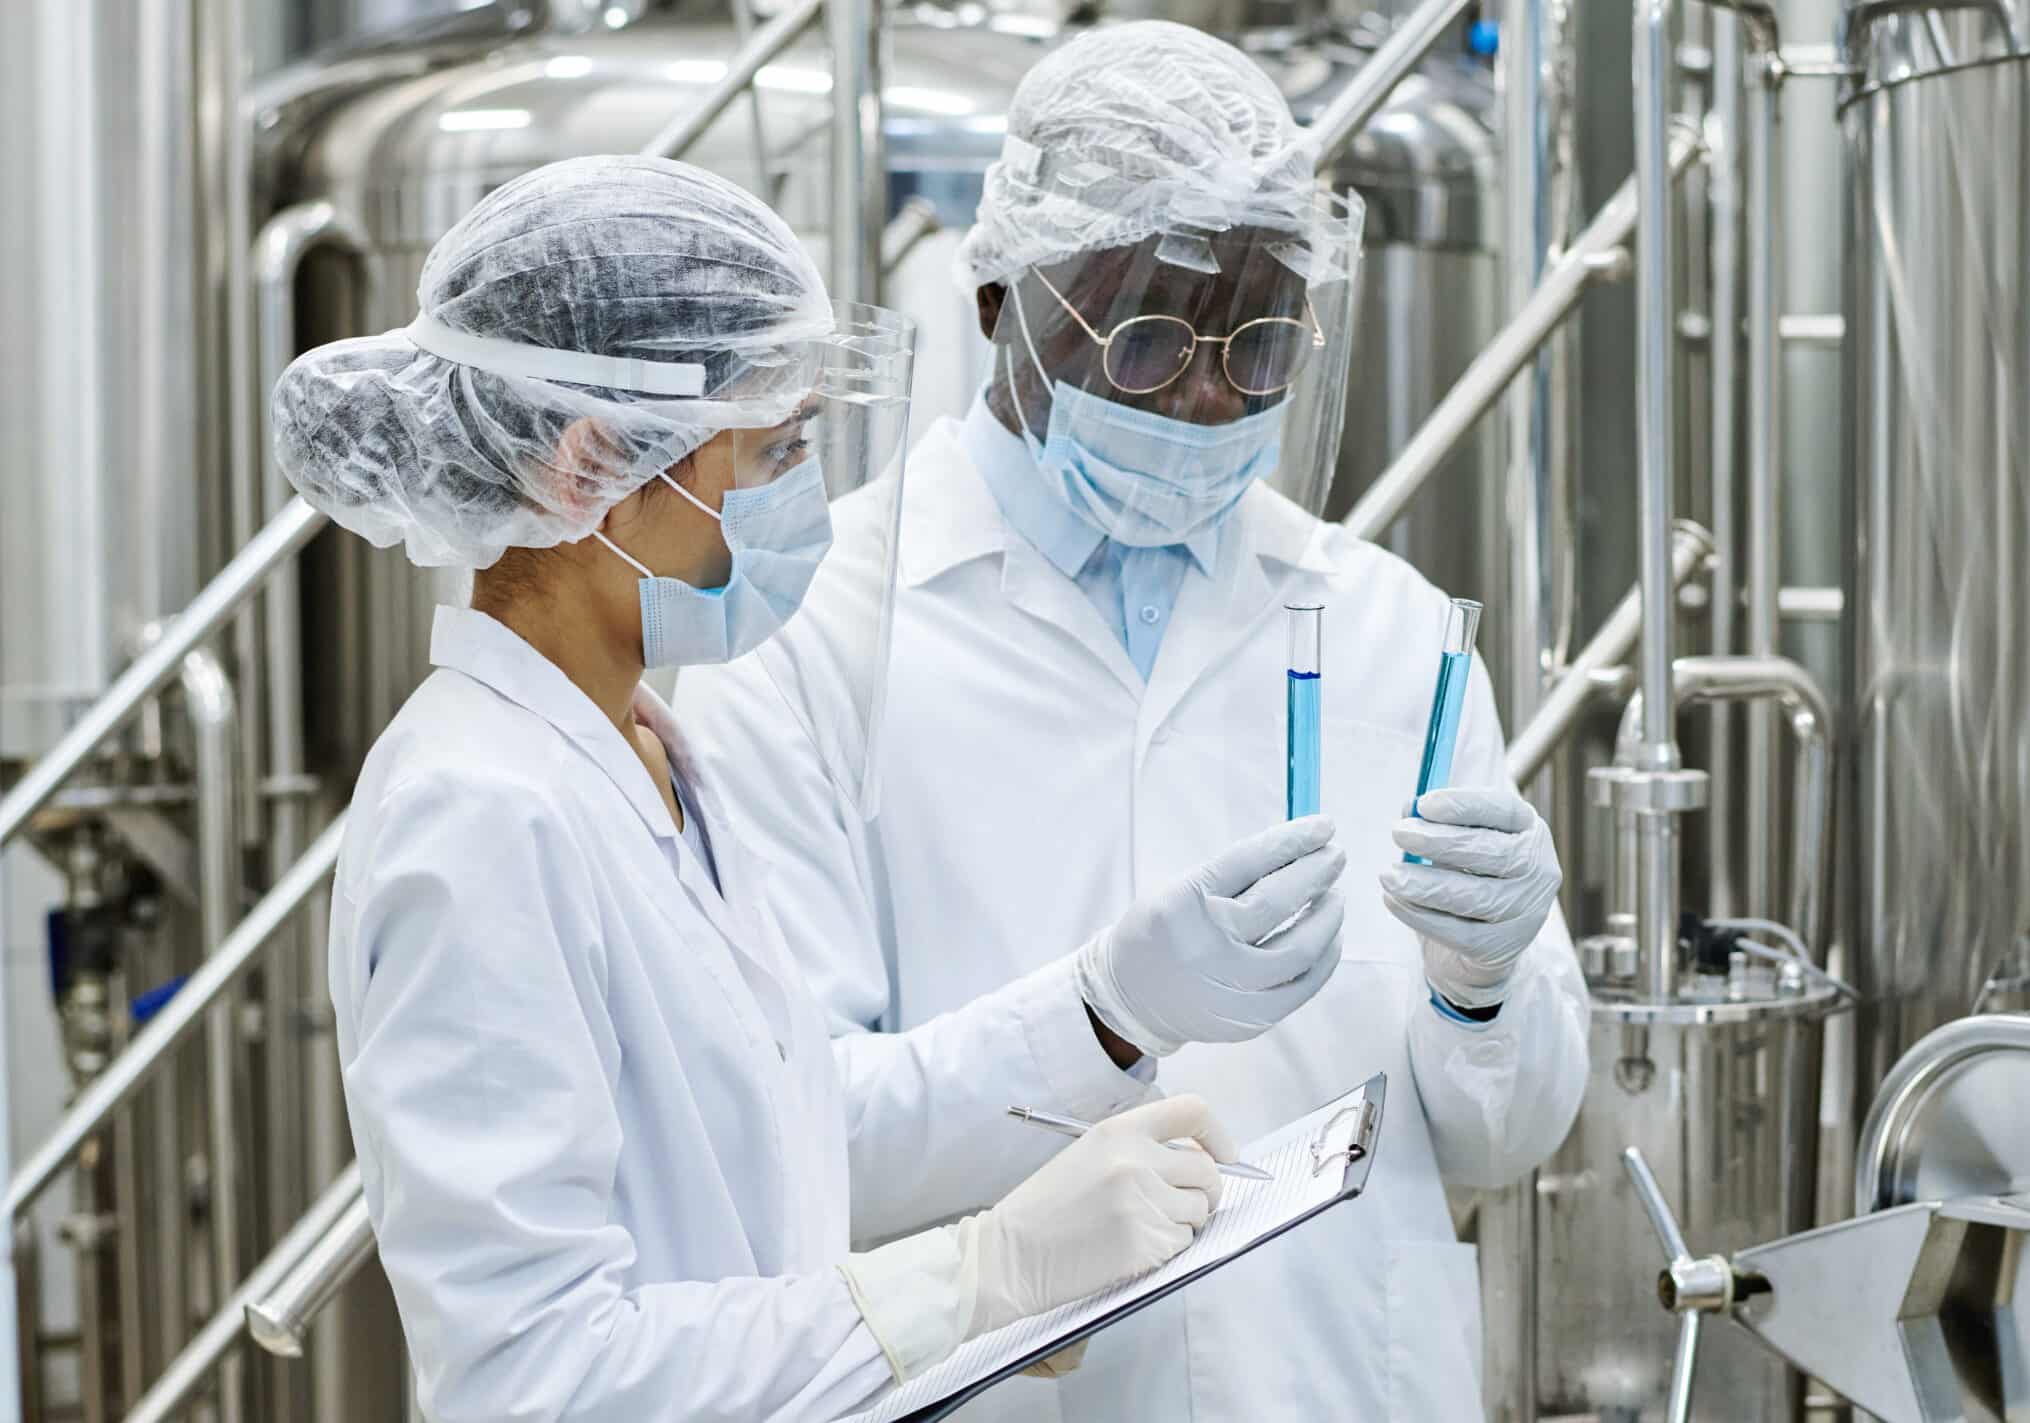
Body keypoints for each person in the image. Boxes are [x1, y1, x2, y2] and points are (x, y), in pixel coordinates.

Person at [272, 154, 1350, 1422]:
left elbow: (785, 1132)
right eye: (775, 449)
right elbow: (537, 1377)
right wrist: (974, 1280)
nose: (806, 500)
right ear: (587, 466)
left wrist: (1104, 1011)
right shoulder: (475, 814)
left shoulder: (645, 751)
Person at [678, 23, 1590, 1421]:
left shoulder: (1391, 628)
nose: (1209, 396)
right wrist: (1098, 1022)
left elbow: (1503, 1142)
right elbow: (786, 1145)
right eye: (1148, 339)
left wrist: (1484, 988)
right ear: (1000, 299)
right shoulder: (806, 635)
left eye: (1261, 342)